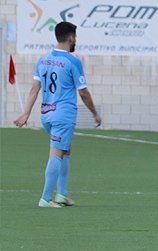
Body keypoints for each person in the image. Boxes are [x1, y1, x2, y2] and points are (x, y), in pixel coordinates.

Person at [14, 21, 101, 208]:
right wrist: (95, 113)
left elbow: (34, 89)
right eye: (75, 37)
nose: (75, 40)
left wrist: (26, 113)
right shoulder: (73, 61)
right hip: (63, 115)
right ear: (71, 37)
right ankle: (45, 199)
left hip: (46, 114)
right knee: (56, 152)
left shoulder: (43, 59)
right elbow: (83, 92)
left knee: (65, 150)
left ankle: (62, 194)